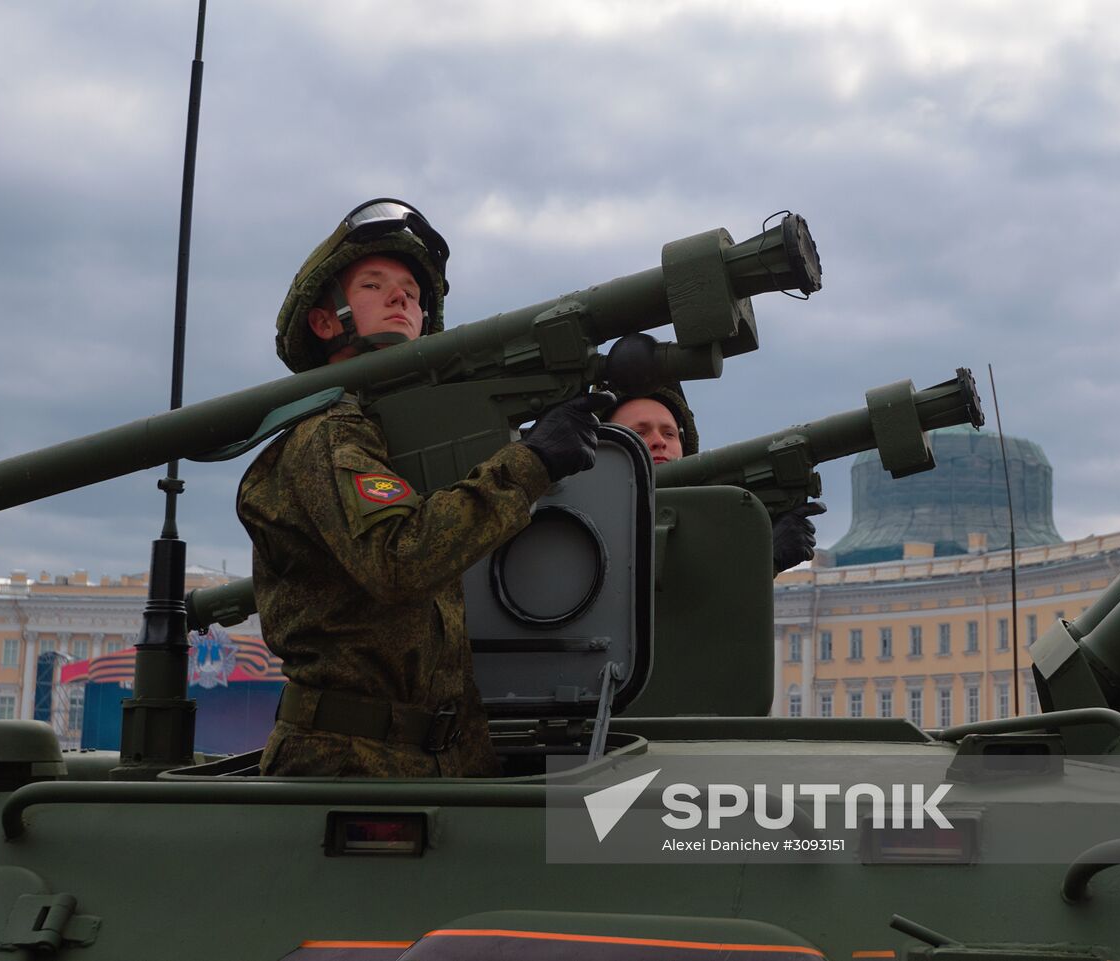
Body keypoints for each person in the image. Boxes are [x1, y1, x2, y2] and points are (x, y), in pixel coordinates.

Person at [238, 199, 609, 778]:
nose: (402, 297)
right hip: (350, 765)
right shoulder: (331, 434)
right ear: (325, 320)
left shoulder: (393, 437)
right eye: (374, 284)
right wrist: (530, 463)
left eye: (412, 290)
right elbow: (399, 559)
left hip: (426, 752)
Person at [606, 386, 825, 573]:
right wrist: (761, 562)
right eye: (640, 433)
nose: (659, 442)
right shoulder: (594, 522)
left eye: (669, 434)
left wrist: (765, 556)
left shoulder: (707, 530)